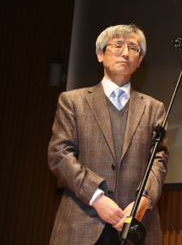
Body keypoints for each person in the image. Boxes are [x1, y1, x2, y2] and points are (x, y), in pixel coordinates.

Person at [48, 24, 169, 245]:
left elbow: (159, 160)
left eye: (133, 48)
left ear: (139, 60)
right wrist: (97, 198)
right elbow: (59, 155)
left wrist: (143, 201)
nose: (125, 53)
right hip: (81, 221)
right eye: (118, 45)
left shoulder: (154, 108)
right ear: (100, 54)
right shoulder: (72, 101)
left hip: (135, 224)